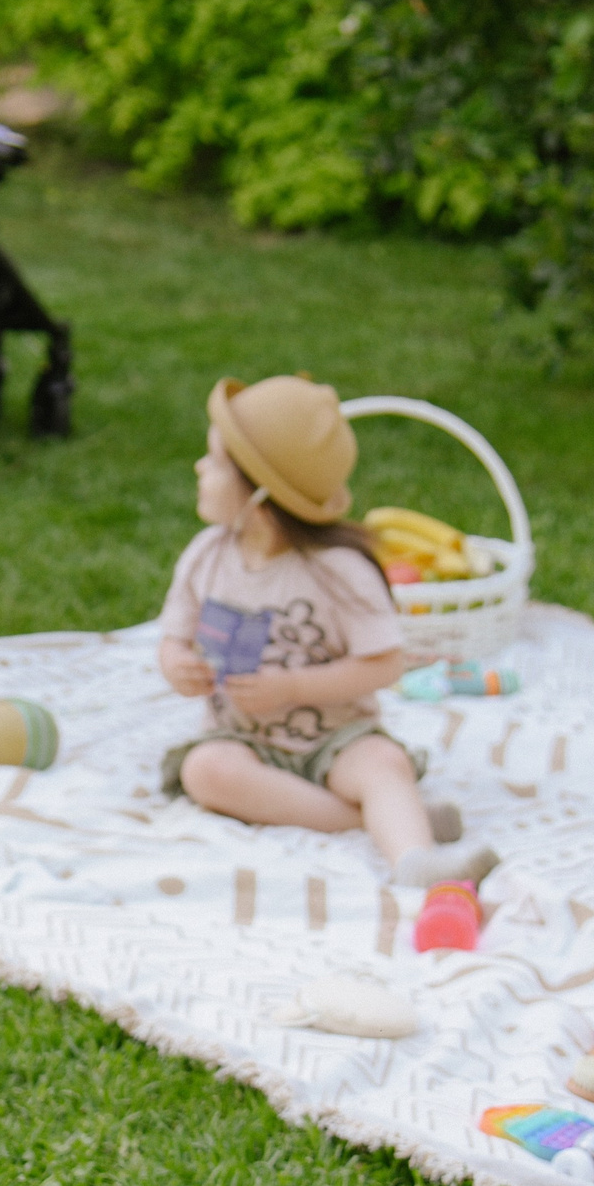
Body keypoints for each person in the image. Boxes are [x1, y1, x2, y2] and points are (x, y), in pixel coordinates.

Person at [155, 375, 495, 893]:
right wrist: (178, 665)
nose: (199, 468)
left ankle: (414, 860)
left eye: (215, 461)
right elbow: (173, 640)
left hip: (338, 737)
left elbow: (384, 664)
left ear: (262, 493)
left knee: (383, 763)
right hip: (243, 737)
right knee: (205, 771)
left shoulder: (338, 571)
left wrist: (293, 688)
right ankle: (378, 818)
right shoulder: (206, 556)